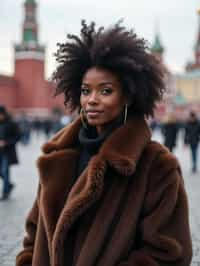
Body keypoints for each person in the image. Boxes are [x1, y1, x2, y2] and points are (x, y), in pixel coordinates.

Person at [16, 21, 192, 266]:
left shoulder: (156, 165)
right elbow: (34, 235)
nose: (92, 100)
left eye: (106, 91)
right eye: (86, 90)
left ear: (128, 95)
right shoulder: (59, 154)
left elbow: (169, 253)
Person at [0, 105, 21, 200]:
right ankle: (9, 184)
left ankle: (5, 193)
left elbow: (17, 137)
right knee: (2, 172)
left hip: (7, 152)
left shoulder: (12, 123)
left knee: (5, 171)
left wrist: (6, 142)